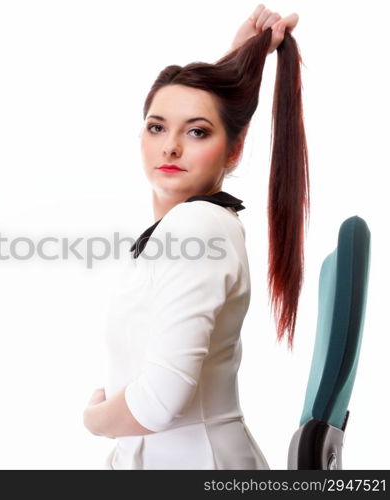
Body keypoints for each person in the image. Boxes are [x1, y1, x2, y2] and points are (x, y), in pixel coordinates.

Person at [83, 4, 309, 469]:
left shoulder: (196, 228)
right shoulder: (192, 228)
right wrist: (240, 57)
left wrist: (97, 420)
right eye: (157, 127)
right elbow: (204, 110)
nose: (171, 146)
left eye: (197, 132)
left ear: (234, 149)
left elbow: (158, 402)